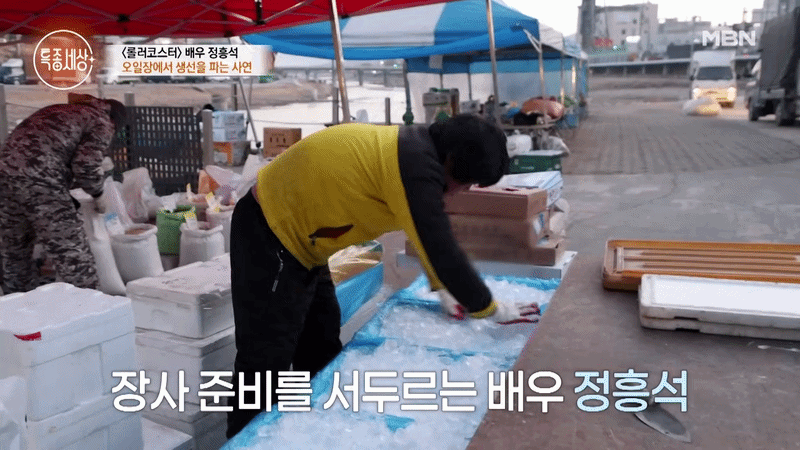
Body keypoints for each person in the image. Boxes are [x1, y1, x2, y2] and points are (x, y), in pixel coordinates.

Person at [226, 114, 540, 438]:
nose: (464, 190)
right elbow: (440, 246)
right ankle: (244, 440)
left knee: (321, 342)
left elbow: (422, 229)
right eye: (468, 182)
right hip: (271, 232)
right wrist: (490, 308)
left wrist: (443, 287)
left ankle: (305, 433)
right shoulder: (415, 168)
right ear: (453, 161)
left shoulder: (417, 151)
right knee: (265, 361)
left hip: (304, 244)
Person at [0, 94, 126, 293]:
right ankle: (88, 304)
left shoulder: (64, 110)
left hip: (5, 175)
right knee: (71, 252)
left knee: (15, 250)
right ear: (116, 121)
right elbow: (85, 166)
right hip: (40, 179)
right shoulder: (102, 121)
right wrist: (98, 193)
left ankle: (19, 304)